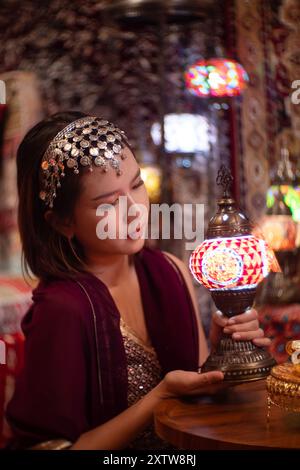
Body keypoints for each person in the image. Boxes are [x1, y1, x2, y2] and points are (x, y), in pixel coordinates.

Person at [6, 112, 270, 450]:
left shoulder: (169, 271)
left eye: (136, 184)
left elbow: (197, 390)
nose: (135, 210)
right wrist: (160, 397)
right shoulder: (62, 311)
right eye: (109, 203)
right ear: (61, 222)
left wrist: (226, 354)